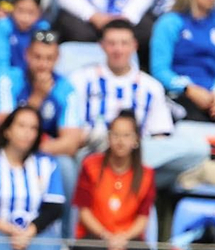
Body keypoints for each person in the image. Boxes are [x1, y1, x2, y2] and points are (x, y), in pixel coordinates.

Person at [72, 18, 208, 184]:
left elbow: (160, 135)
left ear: (134, 46)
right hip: (95, 153)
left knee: (199, 149)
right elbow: (70, 130)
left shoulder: (151, 86)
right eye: (112, 44)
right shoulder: (80, 79)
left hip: (139, 156)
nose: (118, 50)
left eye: (124, 43)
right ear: (102, 46)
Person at [0, 105, 66, 250]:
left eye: (33, 128)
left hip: (37, 231)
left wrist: (28, 233)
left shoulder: (48, 164)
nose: (27, 132)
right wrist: (12, 232)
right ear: (7, 130)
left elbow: (54, 208)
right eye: (21, 126)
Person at [1, 30, 85, 194]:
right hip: (9, 152)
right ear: (27, 54)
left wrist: (31, 147)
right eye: (37, 57)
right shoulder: (8, 81)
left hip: (46, 151)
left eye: (49, 58)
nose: (43, 64)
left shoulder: (66, 89)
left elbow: (70, 143)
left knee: (66, 166)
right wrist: (38, 96)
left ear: (57, 58)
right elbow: (4, 130)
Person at [73, 112, 154, 250]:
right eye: (116, 135)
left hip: (128, 237)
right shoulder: (89, 166)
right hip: (94, 235)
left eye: (126, 135)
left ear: (136, 140)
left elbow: (143, 217)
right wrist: (106, 236)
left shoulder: (146, 175)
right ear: (108, 138)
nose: (120, 141)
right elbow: (84, 212)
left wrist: (123, 239)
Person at [0, 0, 47, 116]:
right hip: (9, 76)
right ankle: (4, 119)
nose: (25, 18)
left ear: (39, 12)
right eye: (20, 11)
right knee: (2, 81)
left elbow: (44, 61)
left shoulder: (43, 29)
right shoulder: (3, 25)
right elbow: (1, 61)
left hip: (33, 78)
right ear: (13, 8)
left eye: (31, 12)